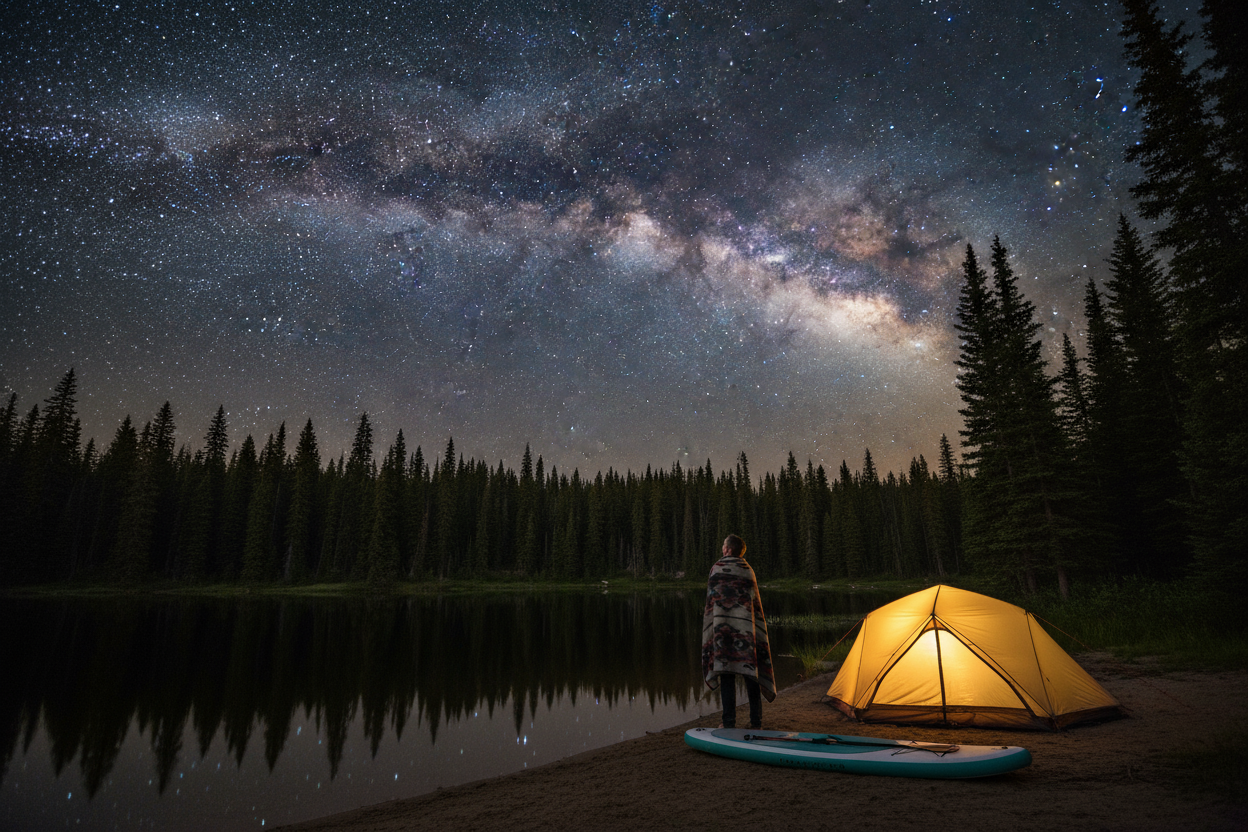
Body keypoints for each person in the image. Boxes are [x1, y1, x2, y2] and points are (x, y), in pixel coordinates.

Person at [701, 534, 775, 729]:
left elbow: (711, 605)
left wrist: (712, 630)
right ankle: (756, 721)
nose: (722, 549)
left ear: (729, 550)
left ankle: (728, 722)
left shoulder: (716, 569)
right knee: (751, 675)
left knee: (726, 674)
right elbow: (755, 607)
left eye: (724, 546)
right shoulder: (748, 571)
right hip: (746, 634)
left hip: (723, 633)